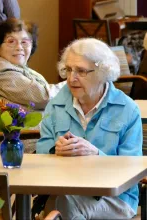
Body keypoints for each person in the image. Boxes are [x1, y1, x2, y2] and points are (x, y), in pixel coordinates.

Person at [36, 38, 142, 219]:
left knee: (63, 207)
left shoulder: (127, 109)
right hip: (64, 190)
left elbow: (132, 168)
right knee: (63, 203)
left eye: (81, 71)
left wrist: (96, 155)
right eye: (68, 69)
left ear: (102, 73)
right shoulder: (55, 106)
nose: (71, 78)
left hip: (115, 198)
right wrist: (55, 150)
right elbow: (41, 152)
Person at [0, 18, 66, 110]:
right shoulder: (0, 72)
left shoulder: (18, 68)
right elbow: (44, 97)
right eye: (11, 41)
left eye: (24, 42)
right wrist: (73, 84)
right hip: (23, 124)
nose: (19, 47)